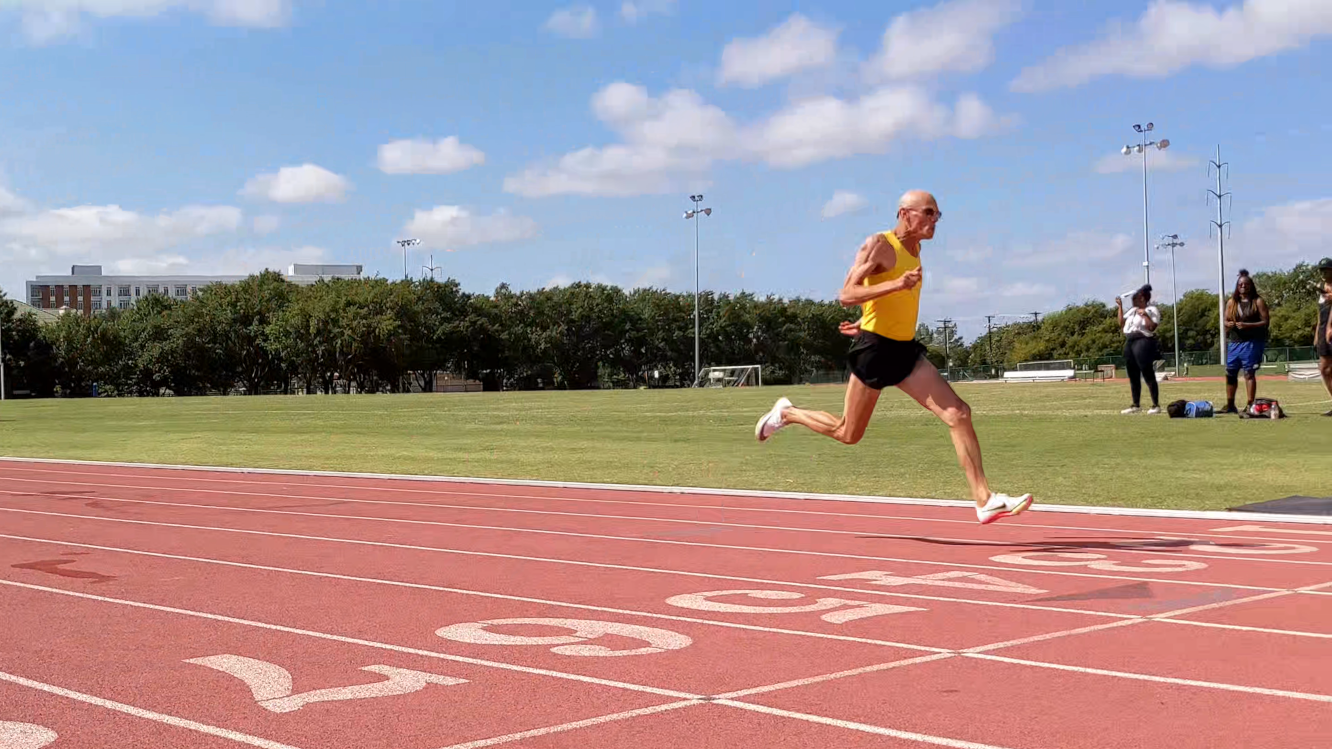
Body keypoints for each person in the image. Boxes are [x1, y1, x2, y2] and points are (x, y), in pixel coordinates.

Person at [752, 190, 1033, 525]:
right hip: (874, 351)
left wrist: (868, 317)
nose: (934, 221)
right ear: (905, 213)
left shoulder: (915, 251)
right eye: (928, 213)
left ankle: (984, 500)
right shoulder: (879, 245)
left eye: (937, 215)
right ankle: (789, 412)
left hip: (903, 350)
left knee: (958, 413)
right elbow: (846, 294)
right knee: (848, 433)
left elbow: (889, 303)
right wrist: (895, 287)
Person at [1223, 270, 1270, 414]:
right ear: (1237, 286)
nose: (1243, 286)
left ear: (1251, 286)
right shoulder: (1232, 302)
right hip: (1235, 342)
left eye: (1246, 284)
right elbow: (1225, 320)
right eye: (1240, 284)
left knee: (1249, 374)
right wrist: (1228, 324)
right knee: (1230, 373)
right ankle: (1230, 405)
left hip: (1252, 342)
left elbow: (1266, 322)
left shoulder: (1258, 301)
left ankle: (1250, 404)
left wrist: (1248, 325)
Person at [1115, 285, 1162, 414]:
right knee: (1133, 374)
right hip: (1130, 341)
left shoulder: (1152, 309)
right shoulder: (1133, 310)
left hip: (1143, 341)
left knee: (1147, 373)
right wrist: (1119, 306)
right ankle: (1136, 404)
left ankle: (1155, 405)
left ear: (1142, 298)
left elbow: (1152, 327)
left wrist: (1145, 315)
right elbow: (1121, 323)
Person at [1316, 257, 1332, 416]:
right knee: (1325, 369)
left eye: (1326, 269)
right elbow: (1319, 314)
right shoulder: (1321, 288)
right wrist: (1317, 334)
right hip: (1323, 331)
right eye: (1321, 270)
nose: (1323, 272)